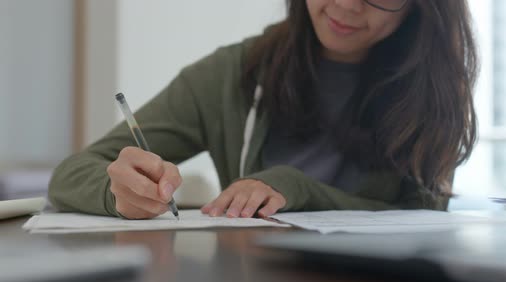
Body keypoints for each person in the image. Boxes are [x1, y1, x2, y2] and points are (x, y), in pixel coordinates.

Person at [49, 0, 478, 219]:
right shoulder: (233, 73)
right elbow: (72, 173)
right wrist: (119, 193)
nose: (348, 5)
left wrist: (297, 187)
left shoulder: (432, 87)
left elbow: (423, 219)